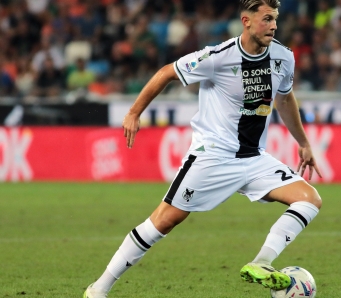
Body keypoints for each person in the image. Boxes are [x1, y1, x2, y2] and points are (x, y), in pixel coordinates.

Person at [83, 0, 323, 297]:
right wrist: (134, 112)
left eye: (275, 19)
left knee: (309, 199)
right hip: (213, 156)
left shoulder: (283, 57)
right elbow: (166, 72)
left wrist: (303, 142)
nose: (273, 25)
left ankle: (262, 262)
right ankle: (98, 289)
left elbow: (284, 99)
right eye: (266, 19)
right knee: (163, 221)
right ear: (246, 21)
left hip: (254, 159)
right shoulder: (217, 57)